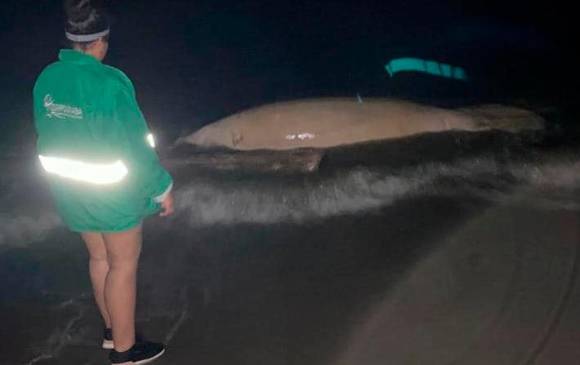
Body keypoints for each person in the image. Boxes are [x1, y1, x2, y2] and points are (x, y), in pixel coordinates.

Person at [33, 1, 172, 364]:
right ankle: (126, 352)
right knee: (123, 265)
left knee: (99, 258)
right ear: (101, 43)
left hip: (71, 191)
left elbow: (46, 134)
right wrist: (162, 187)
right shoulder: (110, 83)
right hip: (112, 194)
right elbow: (135, 146)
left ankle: (113, 331)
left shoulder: (47, 77)